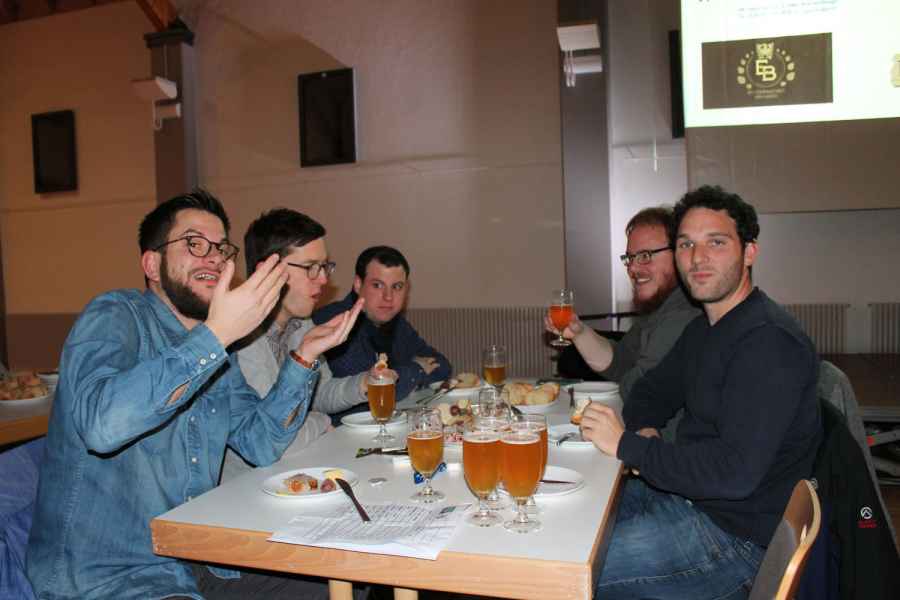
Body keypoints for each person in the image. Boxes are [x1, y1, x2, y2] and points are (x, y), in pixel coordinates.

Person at [26, 190, 362, 600]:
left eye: (220, 248)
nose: (213, 258)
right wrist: (216, 335)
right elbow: (102, 425)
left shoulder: (217, 352)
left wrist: (304, 356)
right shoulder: (115, 314)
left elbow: (260, 443)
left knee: (347, 578)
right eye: (194, 244)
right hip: (111, 577)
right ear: (152, 264)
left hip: (195, 557)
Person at [582, 186, 822, 599]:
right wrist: (644, 429)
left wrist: (628, 446)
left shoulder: (768, 342)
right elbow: (648, 395)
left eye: (716, 242)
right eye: (686, 244)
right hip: (688, 498)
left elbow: (734, 473)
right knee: (569, 518)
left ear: (749, 252)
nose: (697, 258)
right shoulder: (706, 328)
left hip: (734, 539)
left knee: (566, 569)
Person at [221, 208, 394, 482]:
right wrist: (321, 421)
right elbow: (280, 440)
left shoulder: (301, 323)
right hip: (249, 486)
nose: (323, 279)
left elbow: (320, 394)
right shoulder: (241, 338)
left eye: (324, 266)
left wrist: (365, 383)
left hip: (295, 471)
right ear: (268, 271)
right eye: (310, 267)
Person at [547, 206, 700, 403]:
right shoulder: (659, 308)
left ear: (679, 253)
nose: (633, 268)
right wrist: (579, 333)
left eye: (645, 256)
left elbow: (639, 390)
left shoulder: (684, 313)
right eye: (630, 258)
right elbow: (620, 361)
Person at [313, 246, 451, 406]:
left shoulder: (396, 322)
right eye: (377, 285)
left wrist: (402, 375)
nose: (388, 297)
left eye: (397, 287)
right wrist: (418, 368)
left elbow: (443, 366)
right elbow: (377, 390)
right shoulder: (334, 321)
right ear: (358, 284)